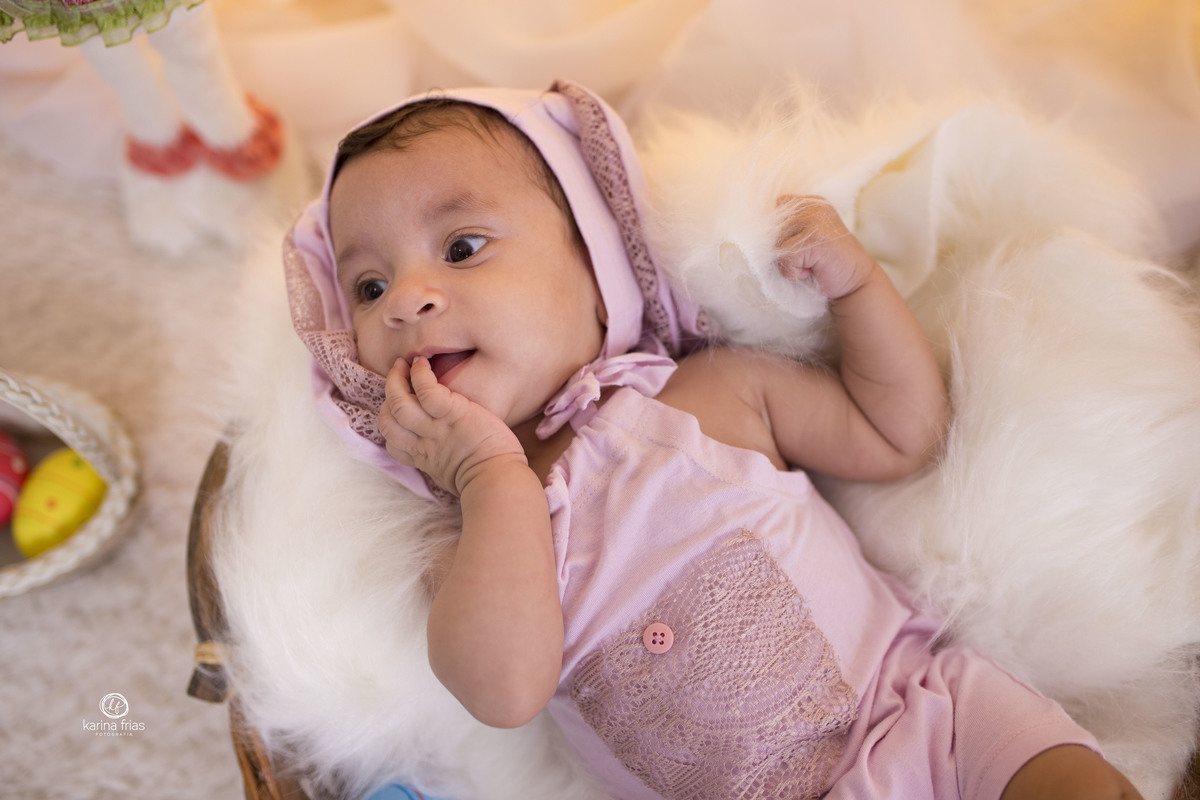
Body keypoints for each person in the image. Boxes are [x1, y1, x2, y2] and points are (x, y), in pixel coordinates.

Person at [284, 81, 1144, 800]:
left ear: (598, 268)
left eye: (462, 246)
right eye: (369, 287)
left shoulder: (710, 396)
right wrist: (489, 476)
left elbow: (899, 436)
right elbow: (504, 693)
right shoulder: (472, 543)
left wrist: (858, 289)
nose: (407, 300)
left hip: (928, 719)